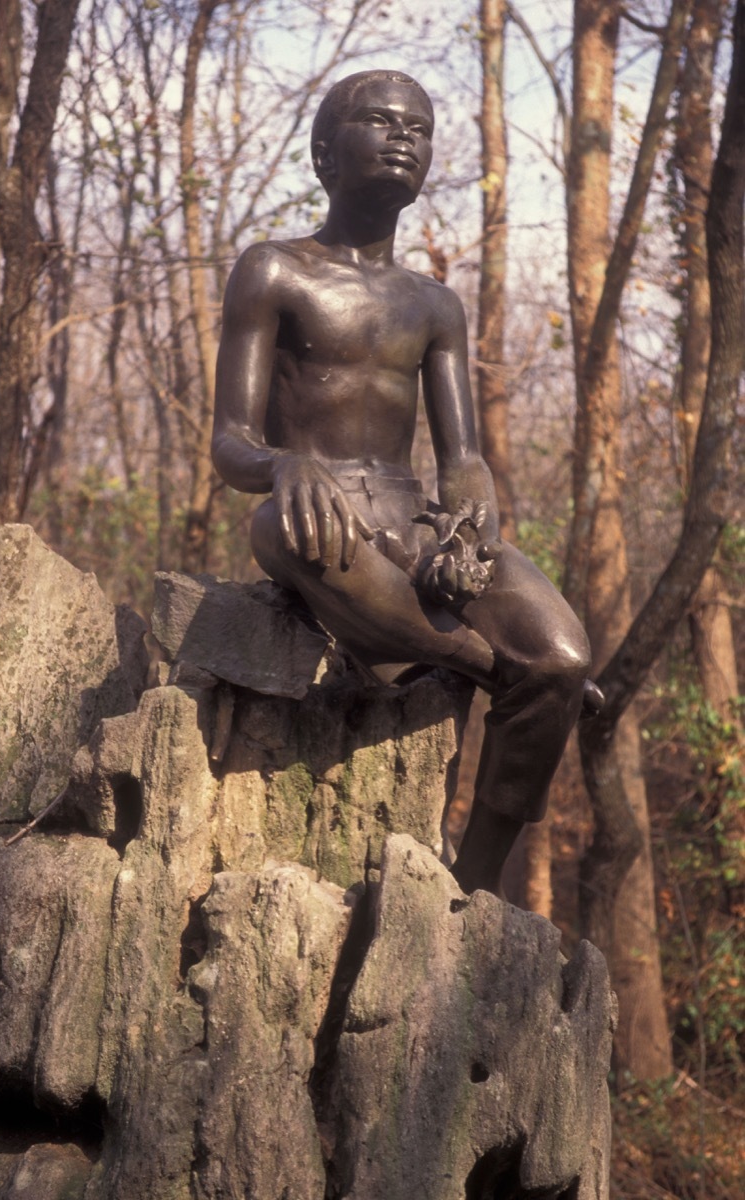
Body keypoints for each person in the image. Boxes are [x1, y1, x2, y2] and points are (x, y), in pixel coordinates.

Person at [212, 69, 599, 896]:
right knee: (284, 531)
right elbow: (229, 442)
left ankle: (476, 883)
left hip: (409, 512)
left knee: (563, 656)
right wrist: (285, 465)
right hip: (316, 518)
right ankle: (489, 663)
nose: (403, 138)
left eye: (419, 130)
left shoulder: (435, 305)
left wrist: (470, 528)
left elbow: (462, 459)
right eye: (381, 122)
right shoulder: (274, 270)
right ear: (326, 151)